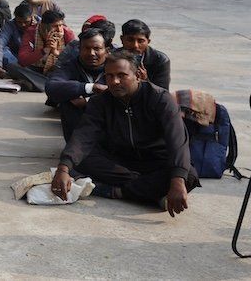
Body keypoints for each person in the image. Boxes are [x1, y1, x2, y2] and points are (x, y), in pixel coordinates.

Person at [50, 51, 200, 215]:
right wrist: (63, 169)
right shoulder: (100, 102)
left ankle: (116, 192)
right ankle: (151, 193)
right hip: (120, 162)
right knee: (80, 160)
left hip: (156, 160)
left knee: (188, 176)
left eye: (122, 75)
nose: (114, 81)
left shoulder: (160, 99)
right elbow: (83, 136)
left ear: (138, 75)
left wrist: (177, 181)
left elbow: (177, 141)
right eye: (109, 76)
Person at [46, 27, 110, 140]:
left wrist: (87, 101)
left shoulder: (116, 66)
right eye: (86, 48)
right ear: (79, 49)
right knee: (67, 98)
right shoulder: (70, 65)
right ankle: (77, 146)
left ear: (107, 51)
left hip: (110, 123)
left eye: (97, 48)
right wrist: (91, 88)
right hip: (80, 127)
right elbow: (51, 87)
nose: (91, 53)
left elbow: (126, 91)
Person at [6, 9, 75, 93]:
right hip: (37, 68)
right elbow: (23, 59)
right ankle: (45, 84)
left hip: (56, 69)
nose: (59, 29)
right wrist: (45, 50)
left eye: (61, 25)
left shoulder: (67, 33)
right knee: (12, 66)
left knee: (65, 73)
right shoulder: (31, 32)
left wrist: (57, 53)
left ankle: (37, 84)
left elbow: (75, 58)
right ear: (44, 26)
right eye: (55, 26)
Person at [119, 19, 171, 90]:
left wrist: (145, 81)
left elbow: (163, 93)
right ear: (122, 39)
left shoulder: (160, 60)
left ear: (148, 41)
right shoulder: (113, 57)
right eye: (130, 40)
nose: (135, 45)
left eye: (140, 41)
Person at [0, 4, 36, 77]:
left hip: (36, 56)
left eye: (26, 22)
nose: (23, 25)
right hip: (16, 57)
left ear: (32, 17)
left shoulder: (41, 24)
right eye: (19, 22)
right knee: (4, 54)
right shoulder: (10, 25)